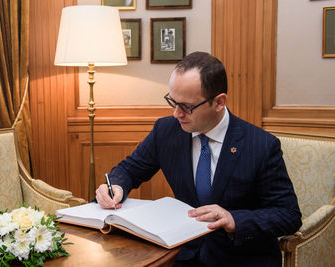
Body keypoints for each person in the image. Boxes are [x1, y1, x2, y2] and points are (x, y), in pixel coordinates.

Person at [95, 51, 302, 266]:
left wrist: (234, 220)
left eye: (186, 107)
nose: (177, 114)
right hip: (181, 255)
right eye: (172, 102)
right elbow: (130, 169)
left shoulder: (260, 145)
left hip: (240, 258)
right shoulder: (166, 131)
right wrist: (116, 186)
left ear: (219, 102)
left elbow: (288, 215)